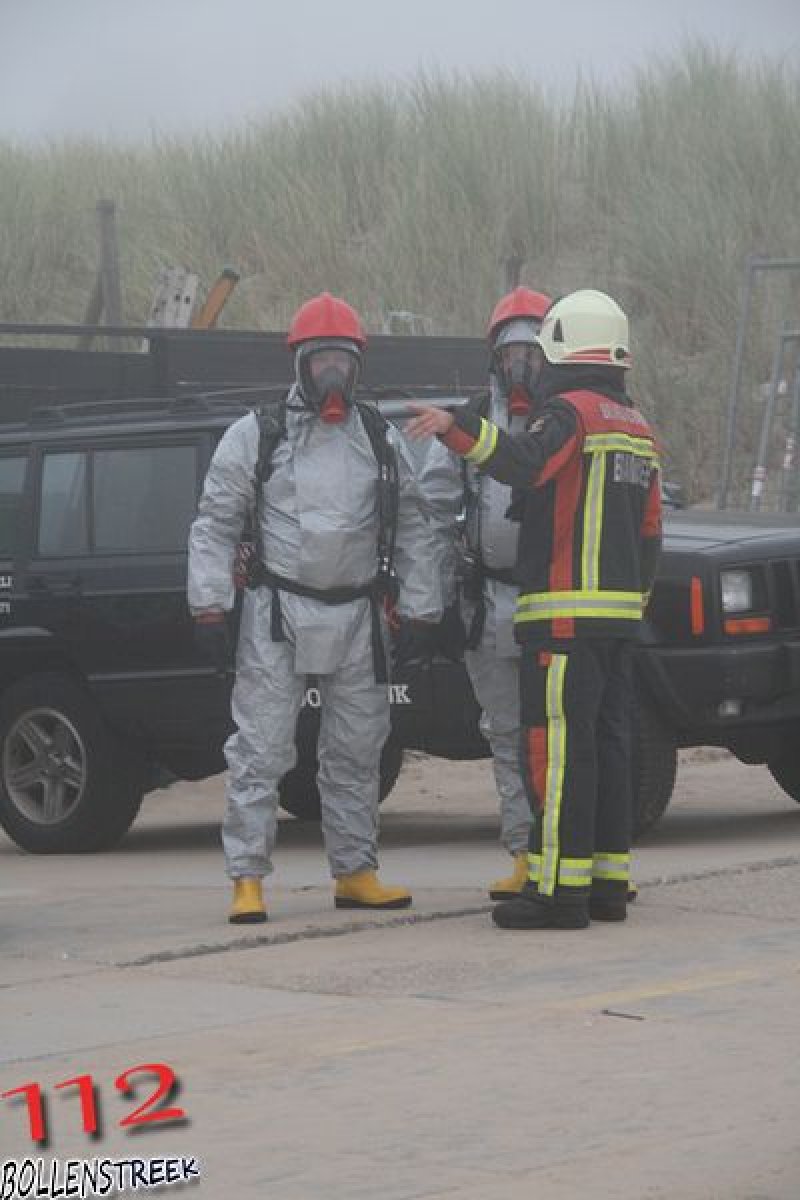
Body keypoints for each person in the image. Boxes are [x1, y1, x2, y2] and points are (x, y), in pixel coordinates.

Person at [406, 289, 662, 929]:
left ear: (561, 347)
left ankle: (555, 893)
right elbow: (653, 535)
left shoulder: (568, 414)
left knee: (554, 753)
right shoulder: (637, 427)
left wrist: (455, 429)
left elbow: (523, 462)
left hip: (562, 622)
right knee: (607, 750)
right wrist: (630, 606)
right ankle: (605, 884)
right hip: (617, 625)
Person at [188, 293, 443, 924]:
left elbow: (414, 526)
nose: (333, 373)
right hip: (278, 613)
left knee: (359, 748)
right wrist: (210, 606)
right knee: (261, 747)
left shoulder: (380, 439)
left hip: (359, 614)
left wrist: (422, 610)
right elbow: (215, 525)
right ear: (298, 363)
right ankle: (247, 877)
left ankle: (355, 871)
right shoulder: (257, 434)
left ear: (359, 366)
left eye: (343, 360)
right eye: (320, 359)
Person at [413, 287, 553, 899]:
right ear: (494, 357)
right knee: (506, 732)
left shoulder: (567, 419)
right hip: (488, 605)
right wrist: (436, 603)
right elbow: (431, 517)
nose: (521, 362)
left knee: (561, 733)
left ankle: (570, 852)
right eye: (511, 350)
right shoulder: (467, 424)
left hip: (555, 603)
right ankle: (525, 854)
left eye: (533, 349)